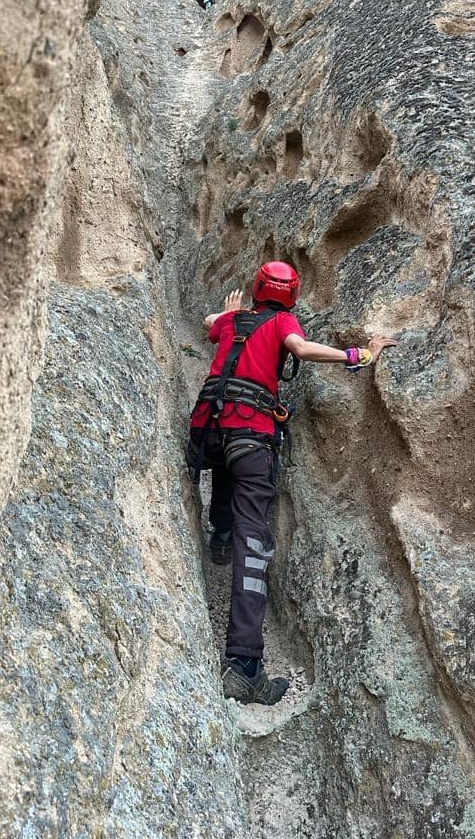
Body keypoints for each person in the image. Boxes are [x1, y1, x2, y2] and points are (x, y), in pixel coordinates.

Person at [187, 261, 397, 706]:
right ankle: (245, 667)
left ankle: (219, 535)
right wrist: (360, 355)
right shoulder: (282, 321)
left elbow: (208, 323)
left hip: (206, 432)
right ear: (292, 296)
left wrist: (228, 313)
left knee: (229, 465)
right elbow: (299, 349)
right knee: (255, 541)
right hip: (251, 437)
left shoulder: (232, 321)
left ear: (256, 289)